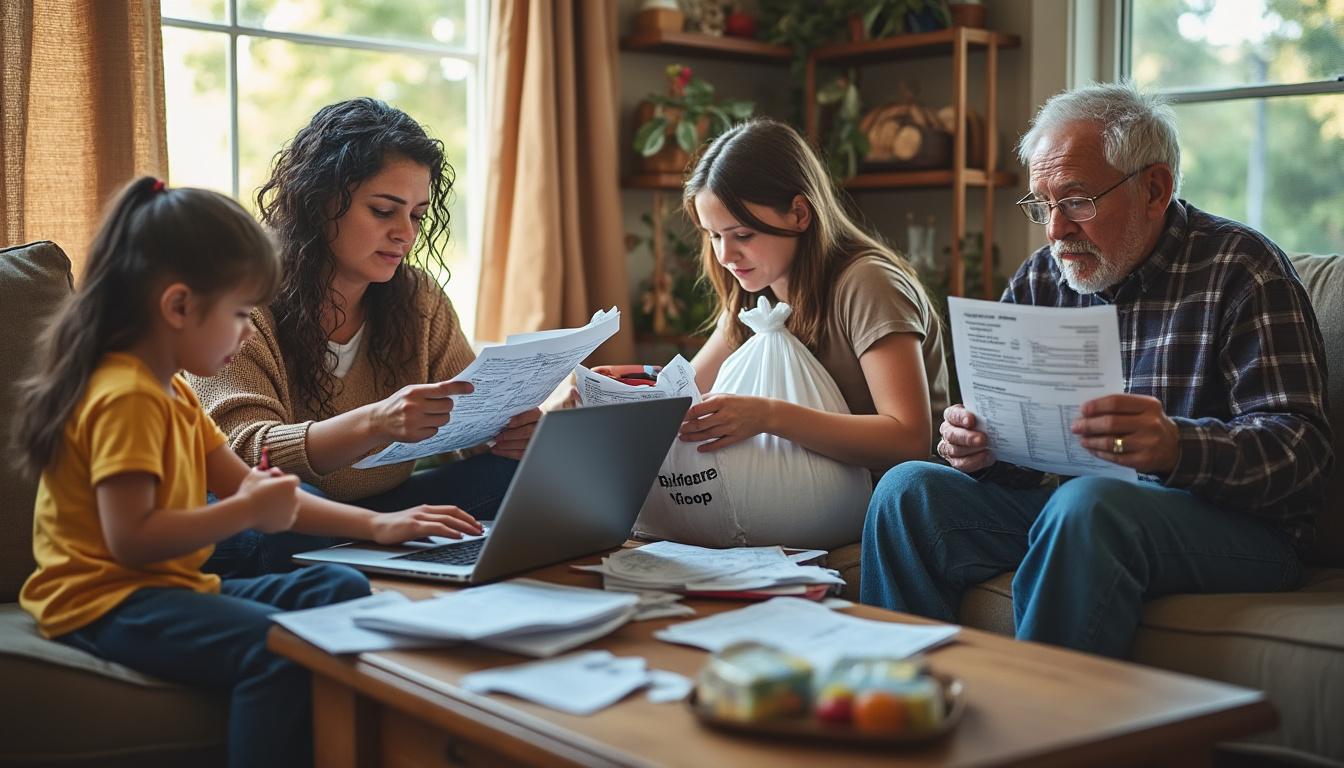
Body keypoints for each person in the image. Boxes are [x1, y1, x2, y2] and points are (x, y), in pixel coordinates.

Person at [13, 178, 482, 768]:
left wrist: (380, 527)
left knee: (339, 588)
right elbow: (132, 540)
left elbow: (260, 491)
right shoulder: (125, 397)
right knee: (281, 650)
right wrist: (243, 513)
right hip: (103, 603)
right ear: (178, 307)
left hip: (169, 587)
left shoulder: (174, 394)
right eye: (238, 314)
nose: (247, 330)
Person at [860, 82, 1332, 658]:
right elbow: (1020, 462)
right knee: (907, 490)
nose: (1055, 229)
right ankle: (905, 698)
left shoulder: (1244, 269)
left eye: (1077, 201)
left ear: (1154, 188)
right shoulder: (1042, 278)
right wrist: (981, 447)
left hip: (1236, 529)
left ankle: (1046, 712)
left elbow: (1303, 453)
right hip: (1081, 514)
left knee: (1086, 505)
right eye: (1042, 205)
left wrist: (1177, 446)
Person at [190, 98, 535, 575]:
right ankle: (364, 555)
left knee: (513, 474)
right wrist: (376, 422)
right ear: (320, 201)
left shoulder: (419, 299)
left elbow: (469, 425)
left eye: (417, 215)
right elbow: (246, 455)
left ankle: (372, 553)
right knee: (285, 507)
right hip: (273, 512)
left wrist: (511, 432)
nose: (405, 234)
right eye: (383, 210)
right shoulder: (245, 298)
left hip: (384, 507)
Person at [679, 118, 949, 539]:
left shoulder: (868, 284)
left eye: (742, 234)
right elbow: (686, 391)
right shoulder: (755, 294)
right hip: (785, 497)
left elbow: (908, 439)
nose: (726, 255)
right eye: (713, 236)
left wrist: (768, 416)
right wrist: (613, 391)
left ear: (799, 214)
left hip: (889, 506)